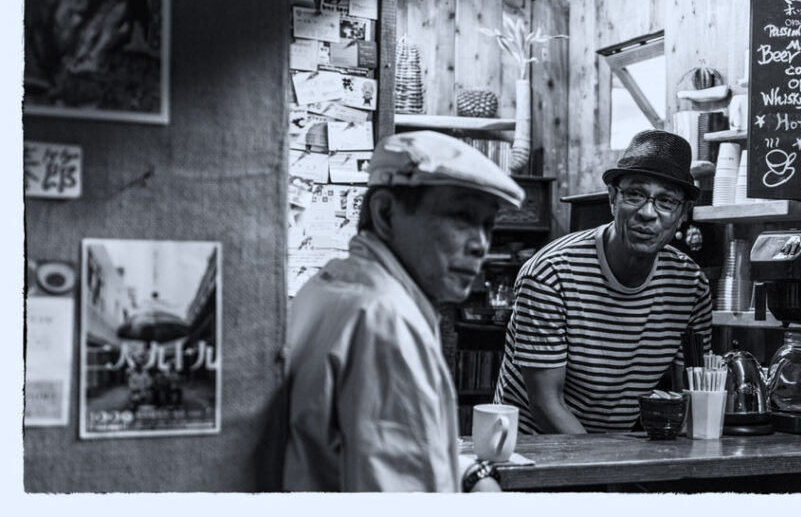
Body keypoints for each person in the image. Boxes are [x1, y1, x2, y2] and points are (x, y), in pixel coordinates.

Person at [282, 131, 524, 492]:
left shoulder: (332, 284)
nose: (481, 245)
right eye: (462, 217)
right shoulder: (386, 321)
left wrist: (470, 472)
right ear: (385, 214)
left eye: (488, 225)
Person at [493, 130, 713, 434]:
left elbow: (689, 393)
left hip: (614, 448)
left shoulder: (691, 286)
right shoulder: (550, 273)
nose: (648, 213)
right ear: (612, 198)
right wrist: (605, 463)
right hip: (529, 447)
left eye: (666, 201)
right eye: (634, 195)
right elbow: (546, 403)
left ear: (683, 213)